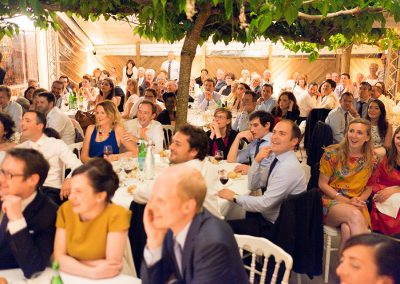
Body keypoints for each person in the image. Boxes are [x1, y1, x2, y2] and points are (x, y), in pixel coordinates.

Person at [141, 165, 248, 284]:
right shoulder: (171, 226)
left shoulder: (212, 242)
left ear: (188, 207)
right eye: (152, 198)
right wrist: (154, 241)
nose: (151, 206)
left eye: (161, 200)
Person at [219, 120, 306, 239]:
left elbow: (265, 204)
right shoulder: (278, 158)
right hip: (268, 215)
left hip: (277, 227)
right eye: (274, 132)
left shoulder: (288, 167)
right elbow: (253, 185)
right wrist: (257, 161)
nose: (274, 137)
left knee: (221, 227)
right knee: (233, 214)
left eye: (282, 133)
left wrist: (234, 196)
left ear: (294, 141)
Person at [54, 158, 131, 279]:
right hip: (74, 277)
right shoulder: (66, 210)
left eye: (79, 191)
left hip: (110, 279)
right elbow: (58, 258)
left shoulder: (117, 214)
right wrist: (92, 272)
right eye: (72, 190)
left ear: (100, 196)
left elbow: (112, 265)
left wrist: (71, 261)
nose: (71, 198)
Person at [319, 118, 378, 250]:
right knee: (354, 215)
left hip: (357, 202)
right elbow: (322, 184)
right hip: (331, 201)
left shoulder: (373, 159)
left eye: (359, 132)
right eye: (351, 131)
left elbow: (369, 187)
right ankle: (364, 265)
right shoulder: (332, 153)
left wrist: (358, 200)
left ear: (367, 137)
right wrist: (346, 201)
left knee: (347, 230)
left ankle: (346, 268)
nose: (353, 136)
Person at [0, 148, 58, 278]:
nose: (1, 179)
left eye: (9, 175)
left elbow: (33, 268)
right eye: (1, 171)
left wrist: (17, 219)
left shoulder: (48, 213)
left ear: (32, 180)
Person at [17, 111, 82, 205]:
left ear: (39, 126)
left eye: (27, 121)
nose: (22, 124)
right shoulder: (21, 148)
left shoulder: (56, 144)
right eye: (22, 120)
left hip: (50, 191)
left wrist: (69, 179)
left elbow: (78, 165)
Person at [366, 126, 400, 235]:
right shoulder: (386, 152)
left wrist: (395, 190)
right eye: (399, 138)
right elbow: (370, 152)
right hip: (379, 188)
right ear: (394, 138)